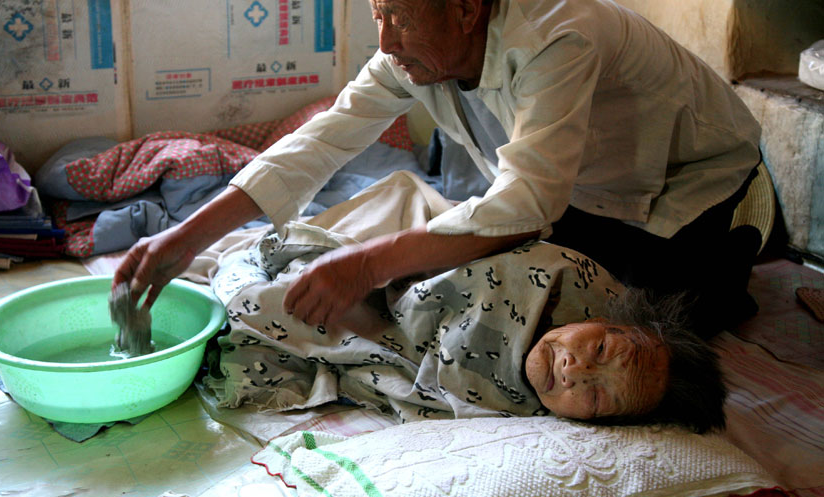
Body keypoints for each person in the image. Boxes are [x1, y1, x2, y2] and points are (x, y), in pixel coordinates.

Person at [114, 0, 762, 339]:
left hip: (691, 172)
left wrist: (365, 262)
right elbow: (321, 141)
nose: (384, 41)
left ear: (464, 8)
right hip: (588, 182)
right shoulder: (414, 52)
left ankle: (729, 256)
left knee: (650, 322)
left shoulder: (556, 36)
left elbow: (527, 200)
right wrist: (181, 239)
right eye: (378, 19)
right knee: (525, 264)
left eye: (397, 18)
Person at [202, 173, 727, 433]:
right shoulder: (576, 280)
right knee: (318, 259)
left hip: (386, 339)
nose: (574, 369)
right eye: (605, 351)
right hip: (408, 279)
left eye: (592, 398)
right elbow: (477, 257)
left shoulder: (513, 411)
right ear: (615, 322)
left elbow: (412, 383)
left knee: (254, 318)